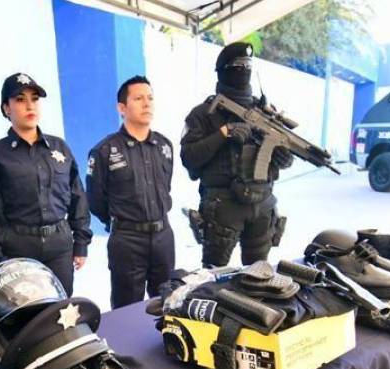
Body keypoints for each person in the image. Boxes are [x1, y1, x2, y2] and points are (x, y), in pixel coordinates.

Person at [0, 73, 91, 295]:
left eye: (35, 98)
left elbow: (78, 198)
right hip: (18, 251)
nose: (29, 105)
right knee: (27, 315)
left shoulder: (59, 148)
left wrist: (81, 243)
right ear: (6, 108)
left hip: (60, 247)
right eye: (20, 99)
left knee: (61, 311)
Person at [181, 42, 292, 267]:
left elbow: (283, 154)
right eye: (238, 65)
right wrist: (223, 133)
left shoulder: (265, 112)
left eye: (248, 65)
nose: (244, 70)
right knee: (214, 276)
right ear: (223, 70)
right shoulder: (203, 114)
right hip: (223, 207)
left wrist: (284, 158)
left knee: (259, 275)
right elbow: (189, 157)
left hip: (262, 204)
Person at [86, 75, 175, 308]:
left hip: (163, 235)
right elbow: (96, 200)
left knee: (168, 304)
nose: (147, 104)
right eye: (138, 98)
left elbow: (166, 187)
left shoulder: (165, 146)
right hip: (127, 240)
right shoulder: (105, 151)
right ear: (122, 108)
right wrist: (120, 222)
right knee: (126, 309)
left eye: (150, 98)